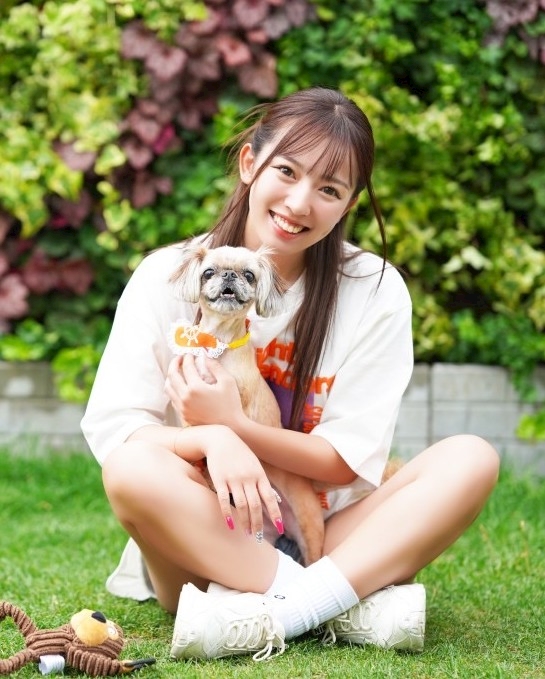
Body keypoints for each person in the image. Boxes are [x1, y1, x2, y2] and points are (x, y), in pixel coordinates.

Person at [81, 86, 499, 662]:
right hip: (207, 539)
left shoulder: (375, 291)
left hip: (325, 536)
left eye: (329, 189)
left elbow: (344, 461)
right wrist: (211, 438)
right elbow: (119, 430)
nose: (300, 203)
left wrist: (238, 427)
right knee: (130, 468)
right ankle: (337, 606)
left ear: (349, 204)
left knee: (471, 458)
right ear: (249, 163)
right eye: (287, 171)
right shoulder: (169, 274)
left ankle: (276, 613)